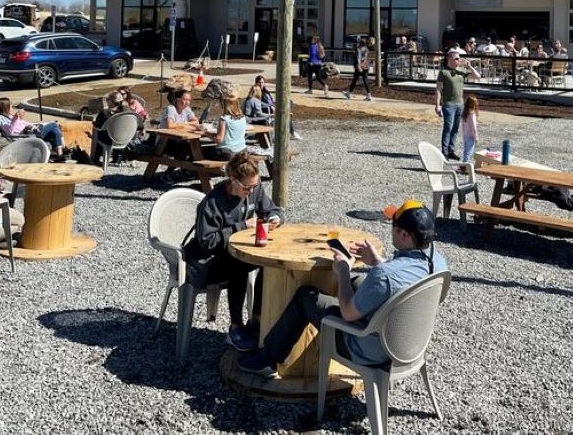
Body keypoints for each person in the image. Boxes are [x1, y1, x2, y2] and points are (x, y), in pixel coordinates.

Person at [238, 200, 448, 376]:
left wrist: (343, 273)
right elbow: (401, 278)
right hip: (408, 342)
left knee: (306, 296)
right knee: (358, 282)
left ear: (404, 235)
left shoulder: (385, 276)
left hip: (370, 349)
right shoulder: (438, 263)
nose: (390, 230)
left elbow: (348, 314)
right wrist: (378, 262)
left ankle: (268, 358)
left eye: (392, 227)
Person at [184, 152, 284, 352]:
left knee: (271, 262)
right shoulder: (212, 203)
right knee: (237, 264)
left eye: (255, 186)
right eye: (247, 187)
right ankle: (236, 326)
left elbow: (273, 209)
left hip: (233, 254)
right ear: (233, 180)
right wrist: (243, 227)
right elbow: (206, 242)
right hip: (207, 262)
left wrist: (275, 218)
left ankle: (256, 320)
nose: (251, 190)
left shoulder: (254, 189)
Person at [435, 49, 481, 161]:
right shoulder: (443, 72)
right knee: (448, 128)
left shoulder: (461, 71)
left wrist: (469, 66)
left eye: (459, 58)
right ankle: (444, 152)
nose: (459, 60)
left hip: (460, 105)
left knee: (455, 129)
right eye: (456, 58)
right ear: (450, 58)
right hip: (448, 105)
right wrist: (437, 105)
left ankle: (451, 150)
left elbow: (477, 76)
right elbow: (438, 89)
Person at [0, 97, 66, 159]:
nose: (11, 108)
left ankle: (60, 154)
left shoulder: (10, 115)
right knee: (54, 124)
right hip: (26, 136)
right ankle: (63, 147)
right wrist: (15, 118)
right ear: (5, 107)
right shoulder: (0, 118)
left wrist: (34, 125)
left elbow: (23, 123)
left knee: (54, 130)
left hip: (31, 131)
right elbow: (10, 131)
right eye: (10, 106)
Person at [254, 74, 301, 140]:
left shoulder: (266, 91)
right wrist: (270, 106)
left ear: (264, 83)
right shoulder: (256, 91)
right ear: (256, 83)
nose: (261, 84)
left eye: (262, 82)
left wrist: (275, 104)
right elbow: (257, 103)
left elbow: (272, 101)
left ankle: (287, 112)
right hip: (267, 110)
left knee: (289, 102)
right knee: (286, 114)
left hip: (273, 108)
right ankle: (292, 132)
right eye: (259, 82)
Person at [206, 91, 249, 161]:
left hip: (228, 153)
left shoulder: (224, 119)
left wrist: (206, 134)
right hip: (242, 151)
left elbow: (219, 139)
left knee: (200, 151)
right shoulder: (242, 117)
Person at [91, 91, 129, 165]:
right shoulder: (128, 112)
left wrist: (94, 123)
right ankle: (116, 158)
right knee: (117, 132)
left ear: (111, 102)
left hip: (109, 140)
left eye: (107, 99)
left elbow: (97, 125)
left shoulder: (104, 113)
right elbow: (140, 126)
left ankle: (95, 159)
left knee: (99, 133)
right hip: (125, 139)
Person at [344, 36, 373, 101]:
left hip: (360, 66)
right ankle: (369, 95)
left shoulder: (358, 49)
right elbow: (366, 57)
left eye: (358, 42)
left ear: (360, 43)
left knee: (355, 80)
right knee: (365, 80)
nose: (357, 43)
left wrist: (358, 66)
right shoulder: (366, 49)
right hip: (366, 65)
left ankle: (349, 93)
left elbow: (358, 58)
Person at [461, 95, 479, 163]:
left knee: (466, 150)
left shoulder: (465, 113)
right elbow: (474, 127)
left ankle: (464, 163)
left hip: (465, 135)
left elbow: (463, 125)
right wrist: (476, 137)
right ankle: (465, 164)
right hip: (471, 135)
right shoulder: (472, 115)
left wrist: (463, 134)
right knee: (469, 151)